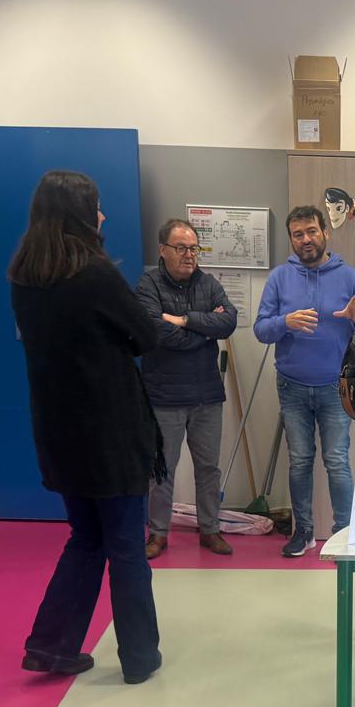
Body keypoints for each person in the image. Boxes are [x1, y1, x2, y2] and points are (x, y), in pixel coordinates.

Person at [9, 170, 165, 684]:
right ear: (79, 214)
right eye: (95, 206)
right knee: (126, 546)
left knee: (86, 537)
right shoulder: (95, 274)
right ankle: (139, 658)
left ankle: (51, 646)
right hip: (111, 433)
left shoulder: (25, 277)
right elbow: (147, 336)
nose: (103, 215)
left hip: (59, 433)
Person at [255, 205, 355, 557]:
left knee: (337, 461)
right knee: (299, 461)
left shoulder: (348, 276)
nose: (305, 239)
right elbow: (261, 330)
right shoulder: (279, 278)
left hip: (336, 387)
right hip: (291, 386)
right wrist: (285, 322)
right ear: (291, 239)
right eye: (298, 234)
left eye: (311, 231)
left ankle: (344, 533)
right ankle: (304, 531)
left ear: (325, 233)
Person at [136, 219, 239, 559]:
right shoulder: (148, 284)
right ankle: (158, 534)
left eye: (194, 248)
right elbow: (154, 330)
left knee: (209, 468)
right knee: (161, 470)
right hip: (164, 397)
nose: (189, 255)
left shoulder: (208, 283)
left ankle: (210, 529)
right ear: (162, 250)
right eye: (181, 248)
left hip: (207, 395)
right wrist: (204, 332)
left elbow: (228, 321)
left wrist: (184, 320)